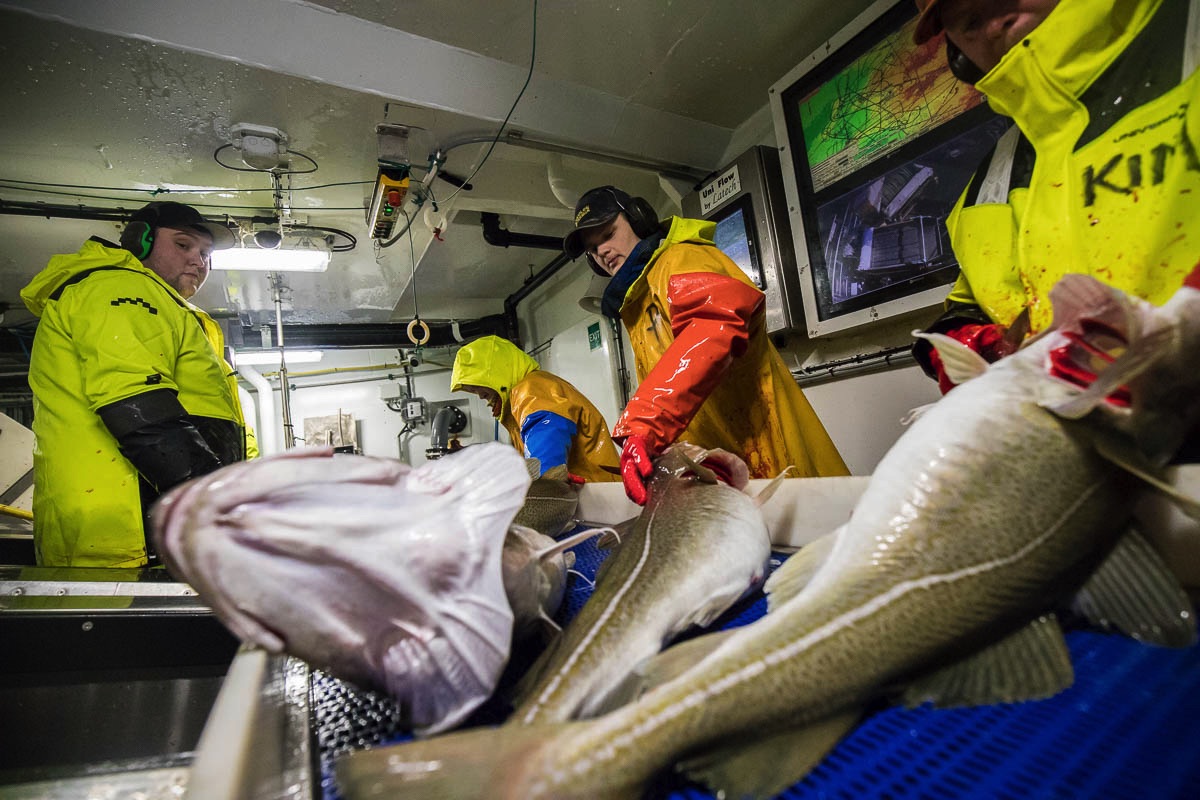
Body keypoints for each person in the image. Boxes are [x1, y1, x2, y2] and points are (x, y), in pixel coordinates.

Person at [910, 0, 1200, 403]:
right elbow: (967, 306)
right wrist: (970, 345)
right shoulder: (978, 196)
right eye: (970, 20)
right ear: (958, 55)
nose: (995, 24)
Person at [563, 186, 849, 504]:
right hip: (728, 478)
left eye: (607, 234)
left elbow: (711, 328)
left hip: (774, 464)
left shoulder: (683, 259)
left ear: (638, 219)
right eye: (592, 248)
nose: (601, 251)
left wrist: (645, 426)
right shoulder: (638, 301)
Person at [20, 200, 253, 567]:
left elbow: (219, 422)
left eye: (206, 253)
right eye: (183, 245)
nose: (199, 261)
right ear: (139, 242)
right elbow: (141, 410)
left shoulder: (166, 309)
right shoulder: (120, 291)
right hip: (123, 530)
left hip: (152, 525)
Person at [450, 335, 621, 483]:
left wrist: (540, 495)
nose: (480, 396)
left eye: (478, 387)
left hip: (599, 503)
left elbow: (545, 457)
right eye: (473, 392)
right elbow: (527, 463)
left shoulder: (531, 390)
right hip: (593, 501)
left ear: (495, 374)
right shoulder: (521, 403)